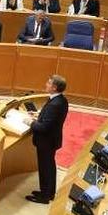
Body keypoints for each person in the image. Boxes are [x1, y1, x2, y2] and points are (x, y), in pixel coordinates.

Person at [22, 75, 68, 204]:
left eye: (49, 83)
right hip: (52, 140)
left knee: (45, 168)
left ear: (54, 87)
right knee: (49, 166)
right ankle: (48, 192)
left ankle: (44, 196)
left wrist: (30, 122)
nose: (46, 84)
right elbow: (51, 119)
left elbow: (44, 128)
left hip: (46, 141)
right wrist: (38, 115)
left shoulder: (55, 104)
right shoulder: (61, 100)